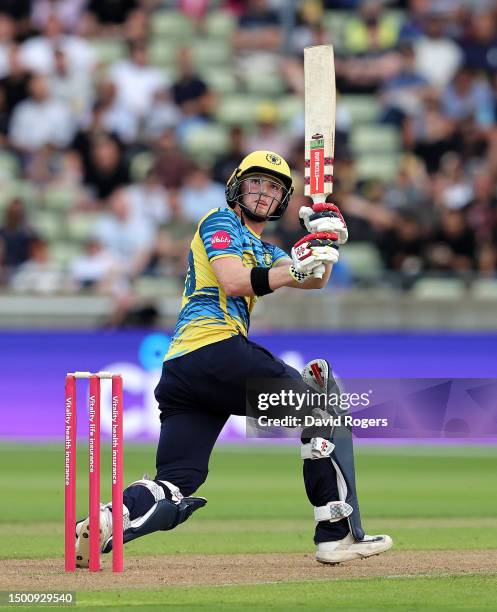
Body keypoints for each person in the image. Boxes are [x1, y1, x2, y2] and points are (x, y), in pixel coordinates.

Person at [74, 151, 392, 566]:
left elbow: (314, 279)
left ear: (282, 201)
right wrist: (298, 266)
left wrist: (324, 238)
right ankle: (336, 536)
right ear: (237, 187)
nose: (263, 193)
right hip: (213, 349)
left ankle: (108, 518)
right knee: (319, 407)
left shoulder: (264, 247)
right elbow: (234, 280)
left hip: (185, 373)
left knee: (178, 480)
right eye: (256, 182)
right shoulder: (219, 221)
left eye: (274, 187)